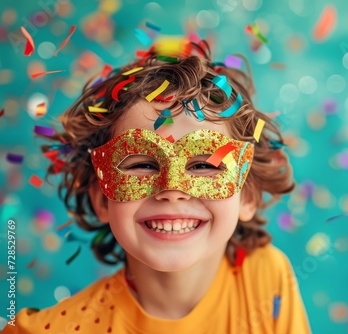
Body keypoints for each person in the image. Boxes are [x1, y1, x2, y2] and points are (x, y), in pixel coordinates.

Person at [2, 36, 310, 334]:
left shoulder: (266, 278)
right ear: (100, 196)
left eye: (204, 165)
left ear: (249, 195)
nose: (171, 189)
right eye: (142, 165)